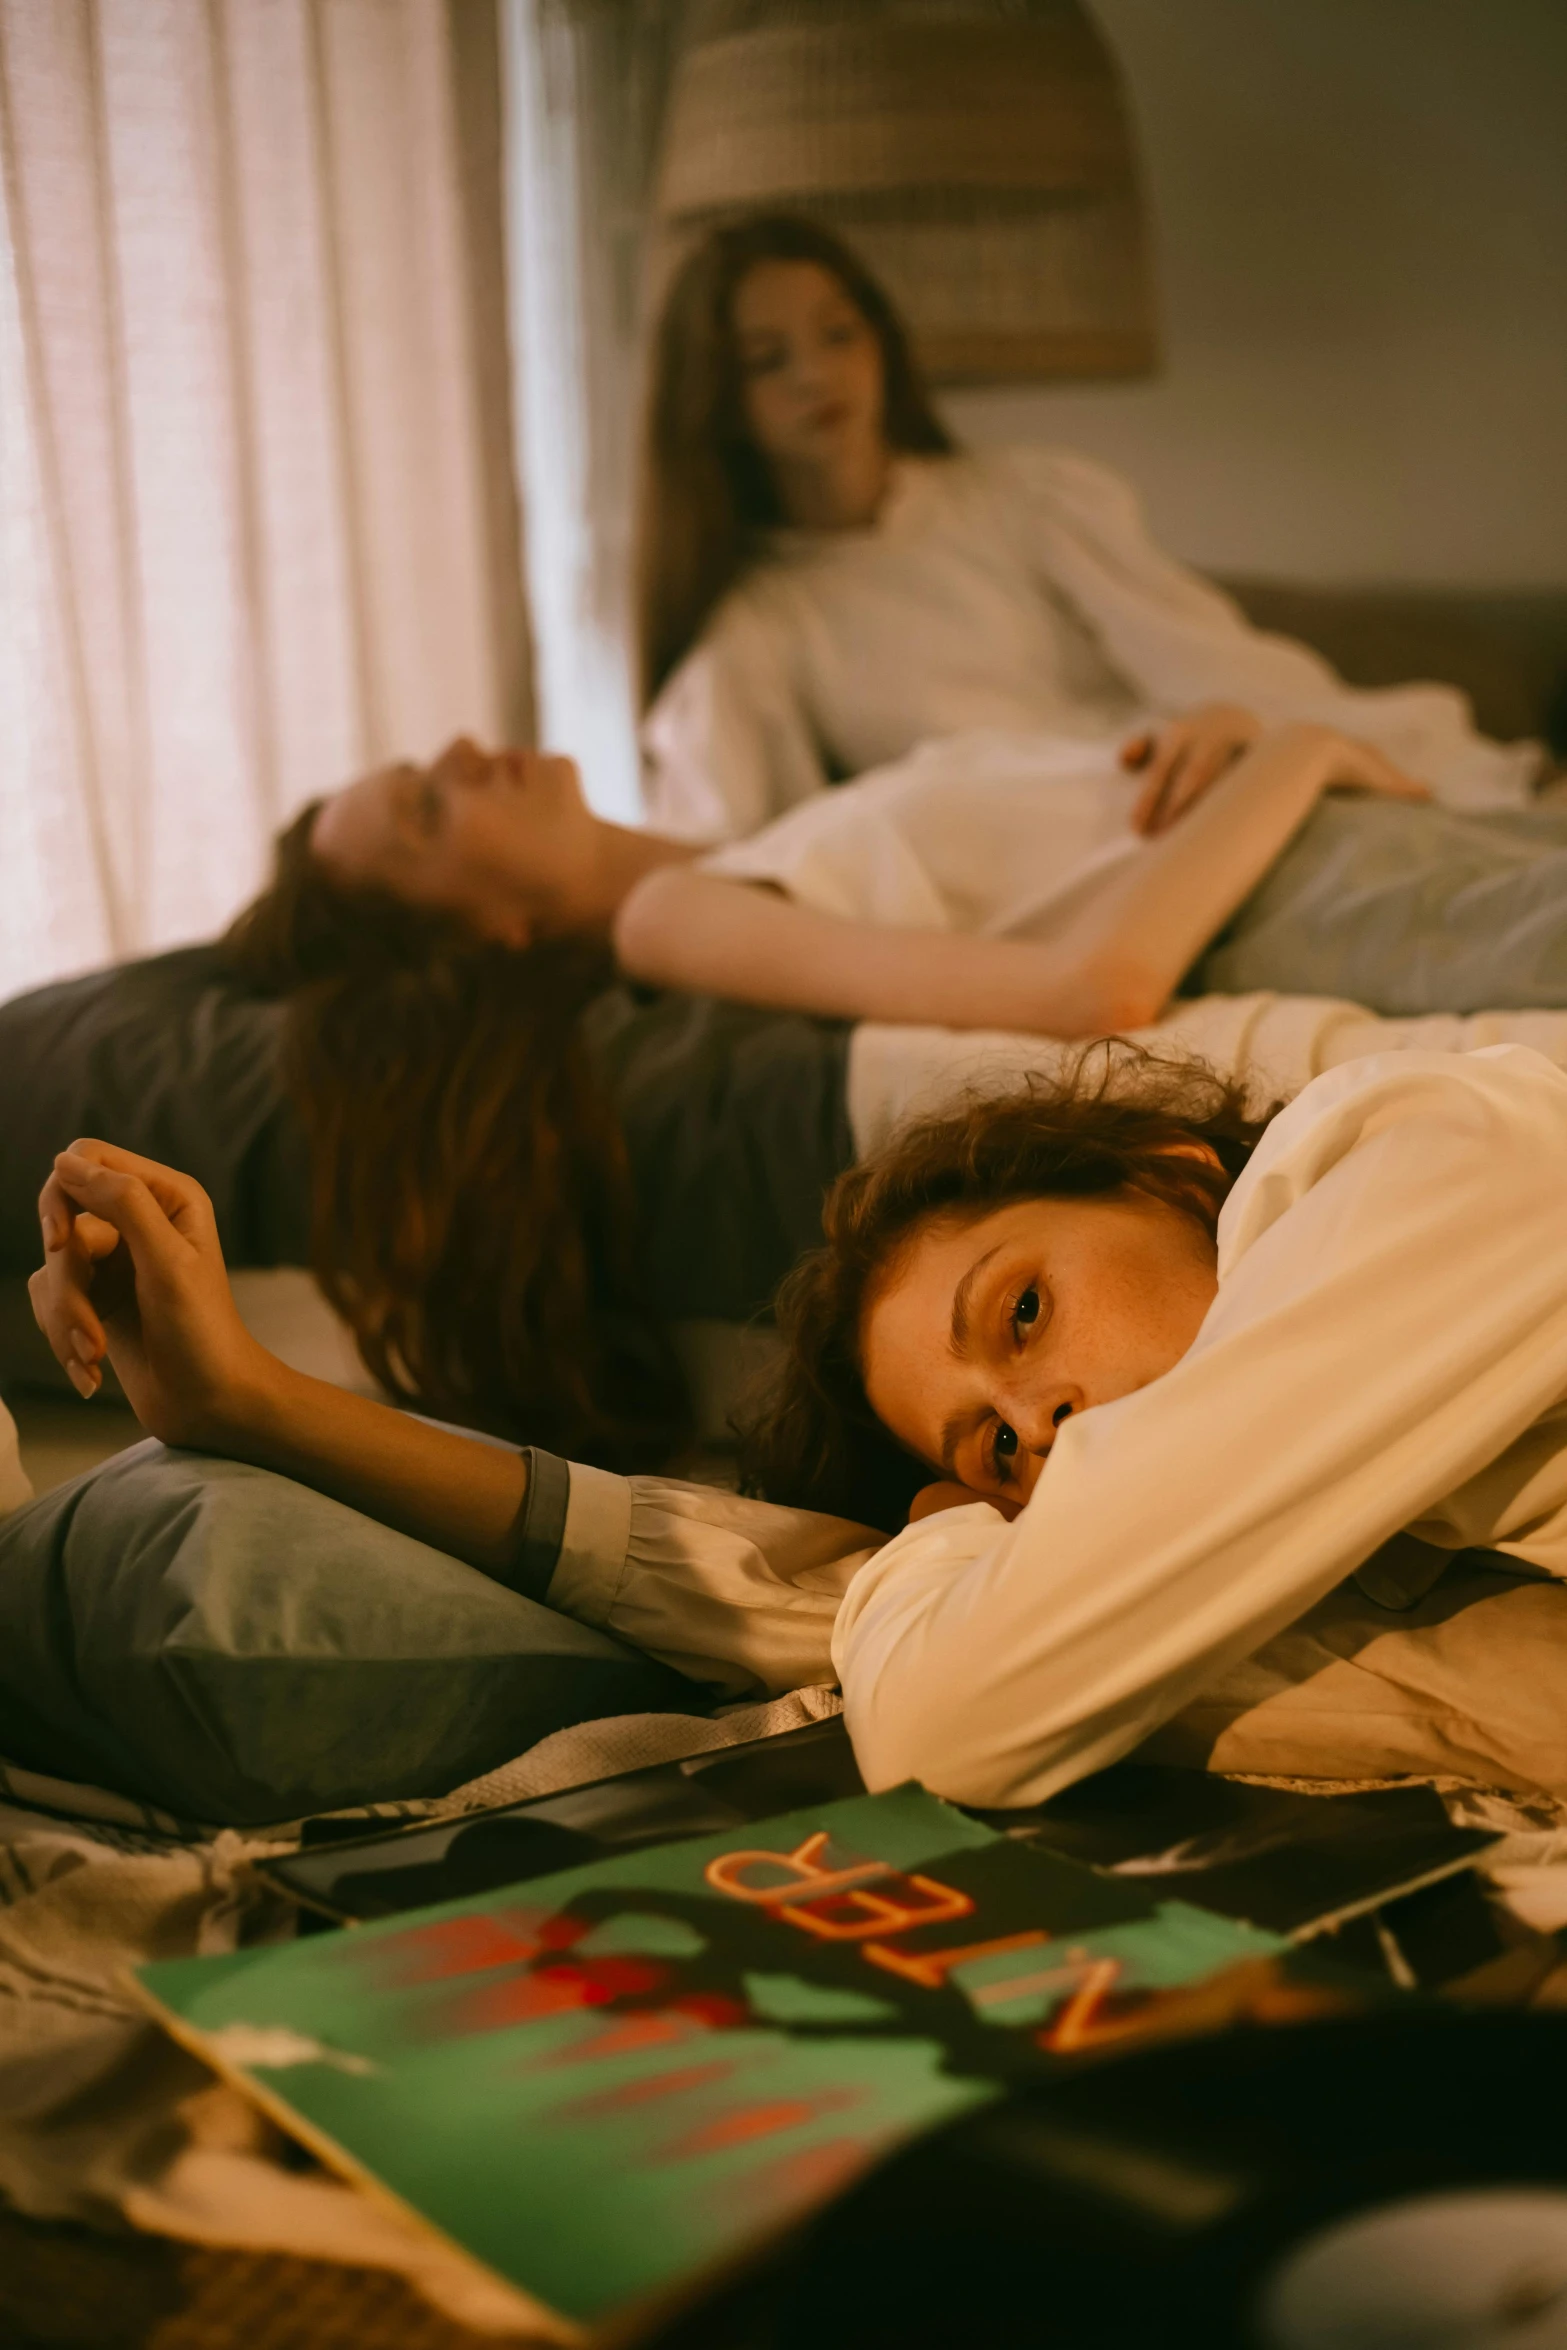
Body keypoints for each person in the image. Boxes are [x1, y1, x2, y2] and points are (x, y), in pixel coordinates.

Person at [22, 1039, 1567, 1806]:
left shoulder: (1425, 1151)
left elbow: (943, 1701)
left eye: (1020, 1310)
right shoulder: (1299, 1538)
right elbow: (783, 1588)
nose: (1050, 1421)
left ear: (1172, 1174)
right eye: (995, 1451)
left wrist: (943, 1539)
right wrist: (257, 1406)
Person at [637, 214, 1539, 845]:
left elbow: (1206, 660)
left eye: (838, 333)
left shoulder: (1021, 498)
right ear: (718, 402)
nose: (814, 376)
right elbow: (739, 852)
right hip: (1069, 872)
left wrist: (1388, 764)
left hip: (1212, 791)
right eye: (767, 359)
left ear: (881, 342)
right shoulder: (758, 629)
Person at [617, 716, 1567, 1031]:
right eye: (454, 815)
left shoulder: (789, 821)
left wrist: (1221, 735)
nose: (461, 760)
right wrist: (1298, 751)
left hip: (1339, 834)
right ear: (496, 928)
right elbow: (1094, 987)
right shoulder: (658, 915)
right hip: (1301, 891)